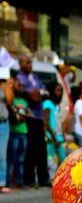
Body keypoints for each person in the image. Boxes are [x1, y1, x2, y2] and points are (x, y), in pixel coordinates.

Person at [16, 54, 49, 187]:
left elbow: (45, 92)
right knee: (30, 150)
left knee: (42, 149)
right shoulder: (20, 78)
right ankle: (29, 179)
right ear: (20, 64)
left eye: (30, 62)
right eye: (27, 62)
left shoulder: (34, 77)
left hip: (39, 117)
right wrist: (39, 94)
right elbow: (33, 97)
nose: (30, 65)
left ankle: (43, 178)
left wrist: (39, 93)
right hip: (29, 117)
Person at [6, 77, 31, 189]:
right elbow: (12, 113)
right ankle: (9, 181)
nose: (21, 88)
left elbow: (31, 115)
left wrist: (20, 116)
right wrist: (21, 116)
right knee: (12, 158)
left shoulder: (23, 101)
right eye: (18, 85)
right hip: (14, 132)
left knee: (21, 158)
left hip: (23, 132)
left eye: (22, 86)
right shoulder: (12, 100)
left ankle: (20, 181)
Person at [43, 81, 66, 174]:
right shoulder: (47, 104)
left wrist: (62, 134)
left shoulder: (55, 105)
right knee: (50, 158)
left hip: (58, 137)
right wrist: (53, 137)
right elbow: (46, 122)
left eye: (60, 90)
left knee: (63, 159)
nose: (59, 93)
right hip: (51, 137)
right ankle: (52, 178)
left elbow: (57, 122)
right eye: (57, 90)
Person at [0, 71, 12, 193]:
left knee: (2, 154)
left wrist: (8, 85)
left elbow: (10, 101)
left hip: (3, 124)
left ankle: (1, 183)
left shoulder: (5, 85)